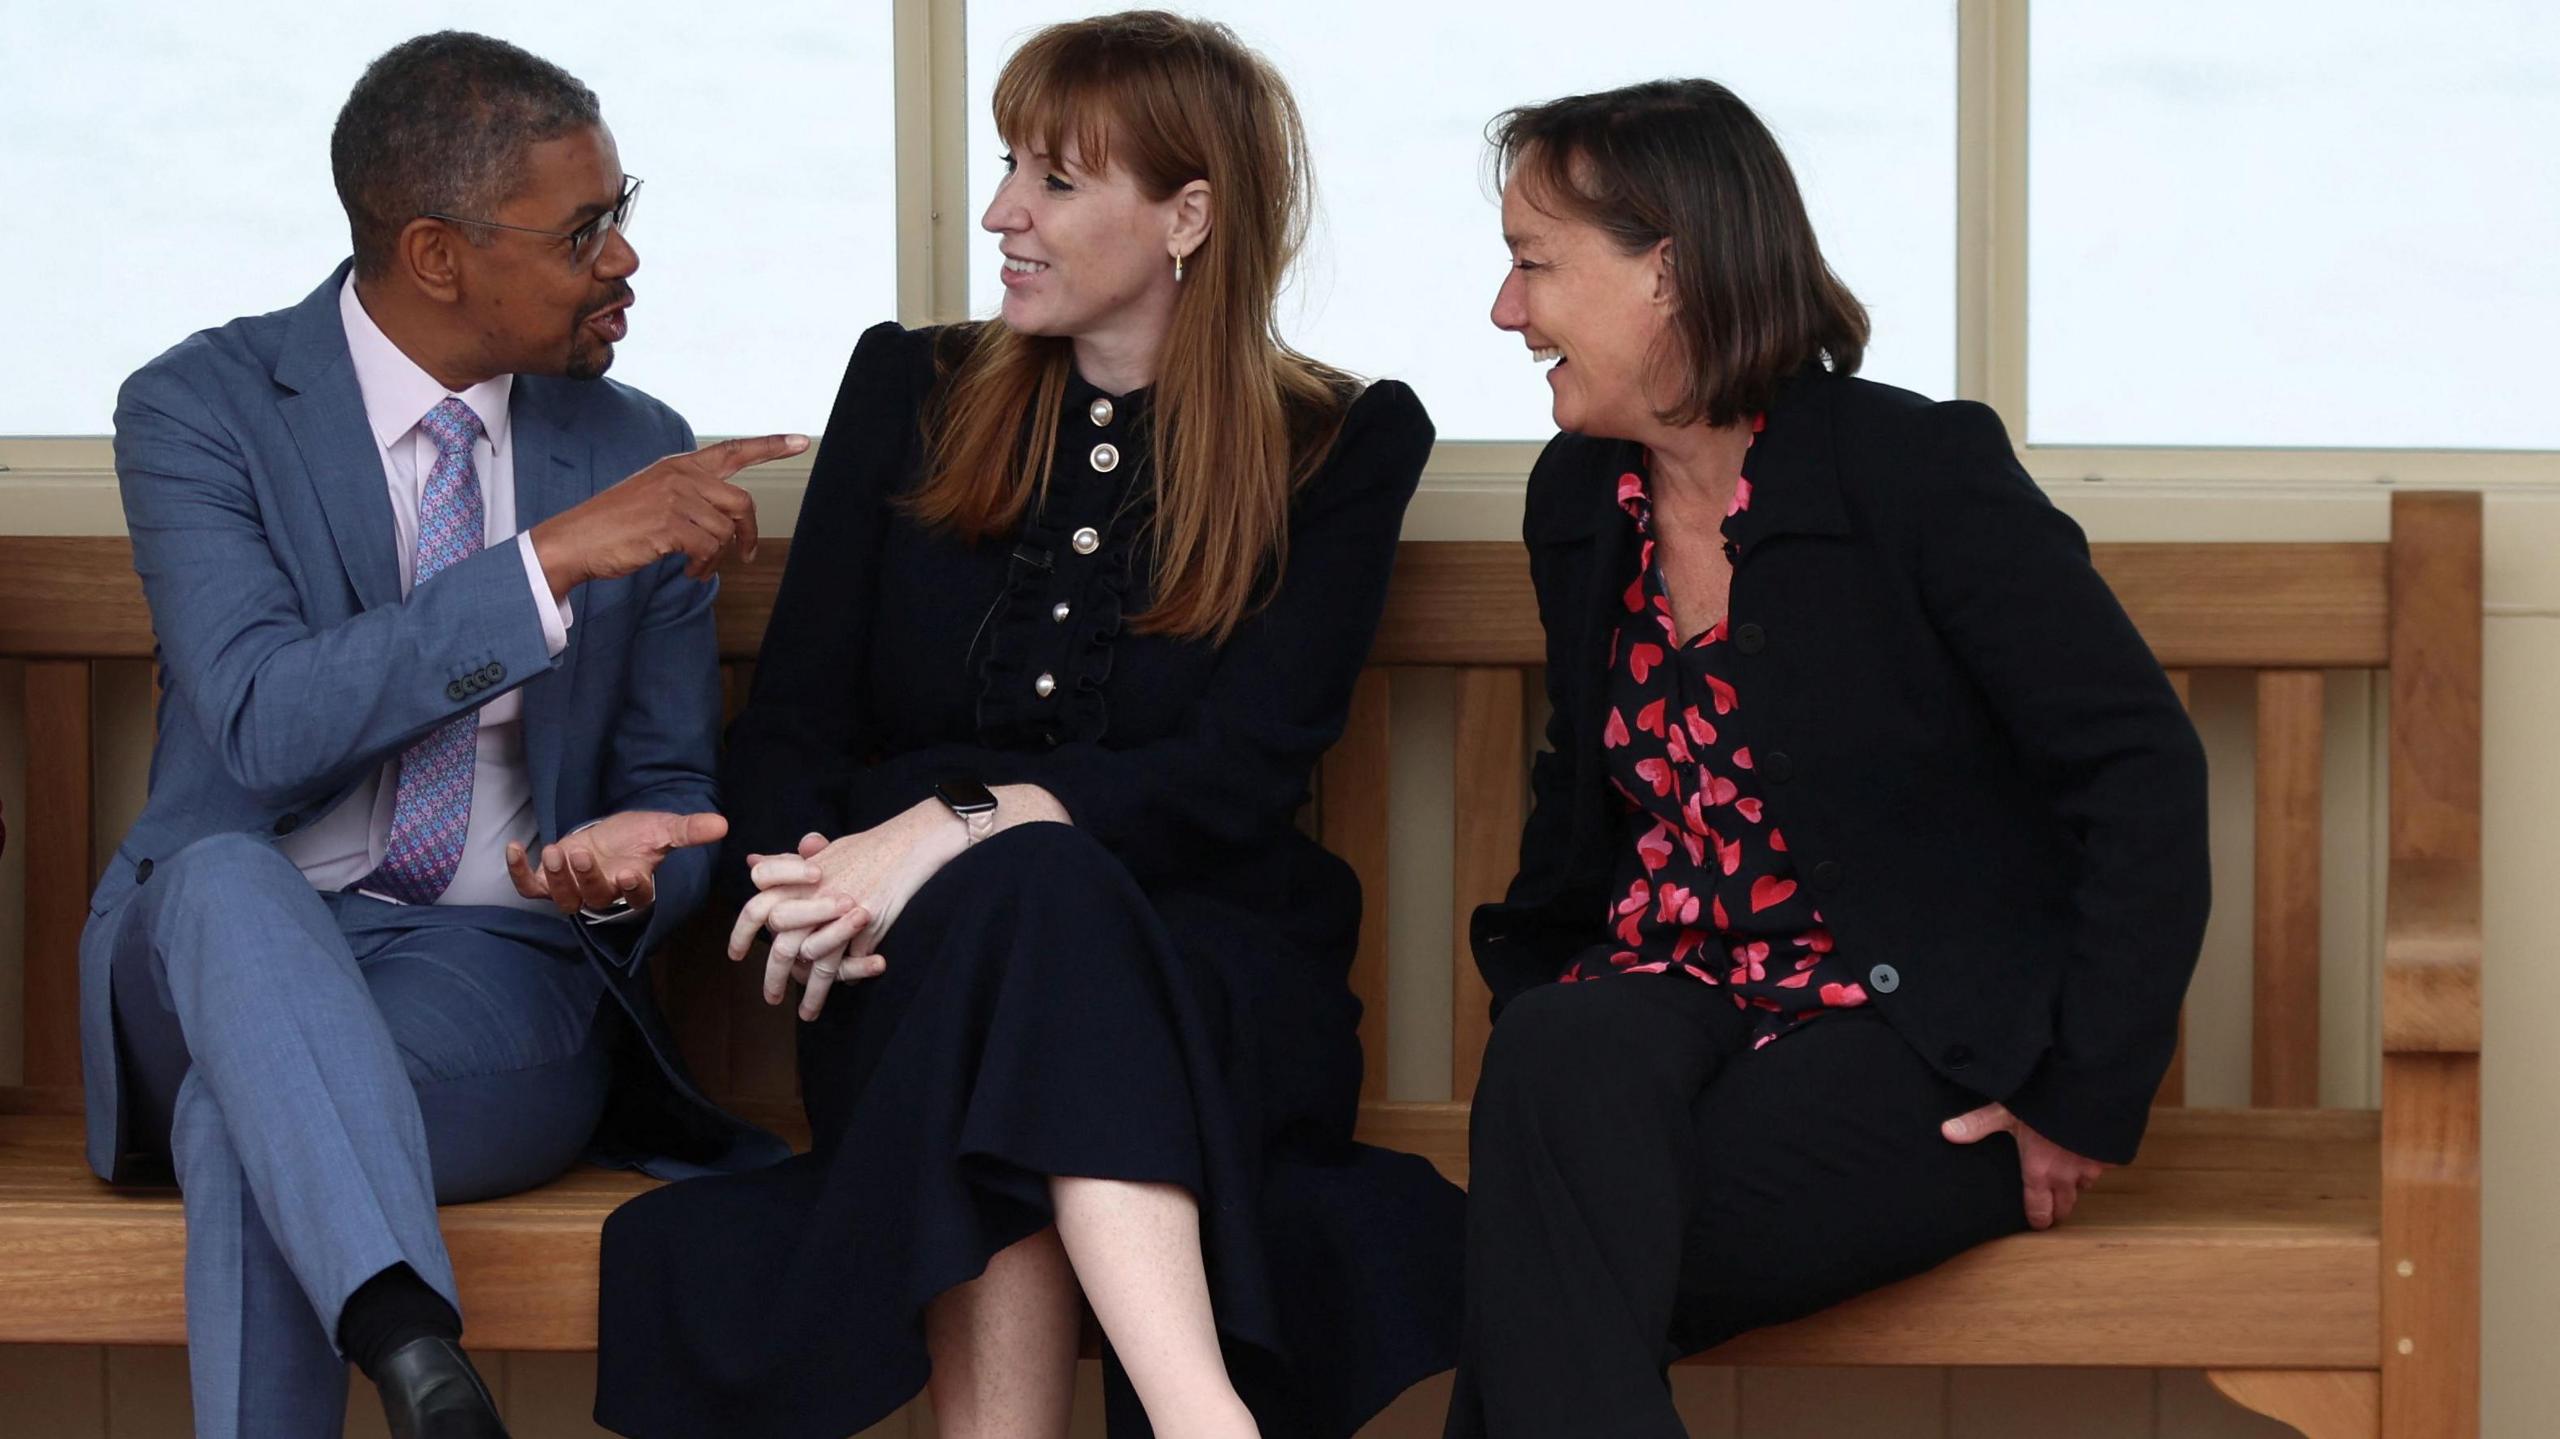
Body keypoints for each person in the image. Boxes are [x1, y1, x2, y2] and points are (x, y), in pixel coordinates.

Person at [595, 12, 1464, 1438]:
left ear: (1188, 214)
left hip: (1211, 978)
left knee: (1037, 913)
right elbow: (795, 724)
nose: (1002, 211)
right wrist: (819, 881)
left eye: (1056, 180)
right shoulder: (909, 388)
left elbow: (1237, 777)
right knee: (1016, 968)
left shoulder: (1340, 441)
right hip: (906, 966)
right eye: (1008, 164)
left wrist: (950, 824)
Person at [1445, 79, 2211, 1439]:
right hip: (1660, 997)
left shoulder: (1918, 475)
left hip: (1909, 1032)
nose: (1508, 311)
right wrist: (1539, 972)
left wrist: (2078, 1098)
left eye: (1532, 263)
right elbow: (1592, 778)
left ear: (1667, 268)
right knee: (1556, 1051)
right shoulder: (1580, 498)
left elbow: (2139, 771)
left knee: (1554, 1262)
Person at [87, 32, 799, 1439]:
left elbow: (668, 788)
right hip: (213, 956)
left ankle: (411, 1353)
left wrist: (634, 870)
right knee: (226, 878)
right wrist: (547, 566)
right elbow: (262, 717)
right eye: (585, 229)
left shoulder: (633, 441)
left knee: (259, 1119)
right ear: (436, 254)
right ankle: (411, 1335)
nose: (625, 261)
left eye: (624, 209)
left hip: (485, 974)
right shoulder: (200, 411)